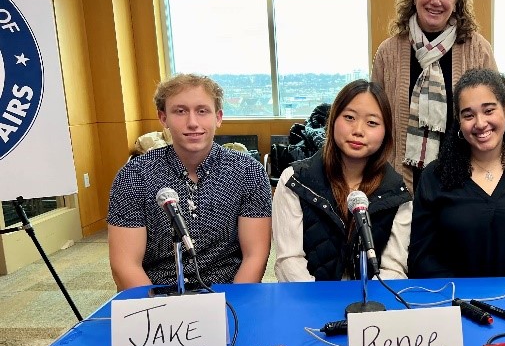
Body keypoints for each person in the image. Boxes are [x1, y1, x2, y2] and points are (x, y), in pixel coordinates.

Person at [107, 74, 272, 290]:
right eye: (180, 111)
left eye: (202, 111)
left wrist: (234, 306)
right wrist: (160, 313)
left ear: (218, 117)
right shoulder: (134, 175)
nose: (193, 123)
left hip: (228, 294)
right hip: (158, 296)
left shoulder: (248, 171)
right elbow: (125, 264)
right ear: (163, 117)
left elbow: (255, 255)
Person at [408, 69, 505, 278]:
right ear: (459, 121)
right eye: (468, 115)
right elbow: (421, 257)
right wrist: (462, 300)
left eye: (489, 110)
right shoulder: (434, 176)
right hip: (458, 303)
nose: (480, 123)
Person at [372, 0, 497, 193]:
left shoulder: (478, 49)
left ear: (457, 1)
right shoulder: (388, 51)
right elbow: (375, 119)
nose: (436, 0)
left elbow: (495, 117)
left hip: (465, 183)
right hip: (400, 184)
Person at [272, 80, 412, 281]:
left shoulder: (397, 193)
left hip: (372, 304)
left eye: (372, 122)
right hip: (311, 302)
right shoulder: (295, 181)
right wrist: (321, 307)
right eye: (349, 117)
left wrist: (368, 307)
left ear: (385, 132)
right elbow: (289, 261)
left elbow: (394, 268)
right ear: (333, 120)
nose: (358, 130)